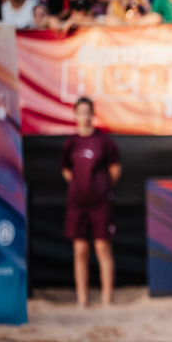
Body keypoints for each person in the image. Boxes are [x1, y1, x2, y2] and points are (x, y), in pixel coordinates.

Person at [61, 97, 121, 308]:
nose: (84, 116)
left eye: (88, 112)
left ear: (92, 114)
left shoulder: (104, 143)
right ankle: (82, 299)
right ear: (75, 115)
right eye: (81, 112)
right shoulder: (70, 144)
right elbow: (67, 171)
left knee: (103, 248)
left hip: (100, 203)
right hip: (77, 204)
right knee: (80, 251)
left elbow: (115, 169)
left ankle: (107, 300)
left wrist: (101, 187)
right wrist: (81, 186)